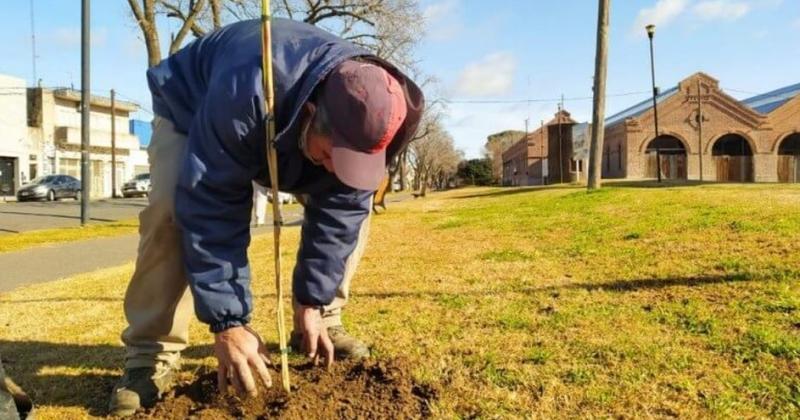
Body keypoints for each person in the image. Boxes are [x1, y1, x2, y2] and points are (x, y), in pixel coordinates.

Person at [108, 18, 423, 416]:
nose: (334, 170)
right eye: (331, 156)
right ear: (311, 114)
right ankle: (150, 353)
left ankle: (323, 319)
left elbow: (341, 213)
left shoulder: (382, 118)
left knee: (354, 216)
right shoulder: (247, 88)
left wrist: (311, 300)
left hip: (282, 120)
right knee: (170, 210)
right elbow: (212, 205)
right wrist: (228, 322)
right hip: (196, 108)